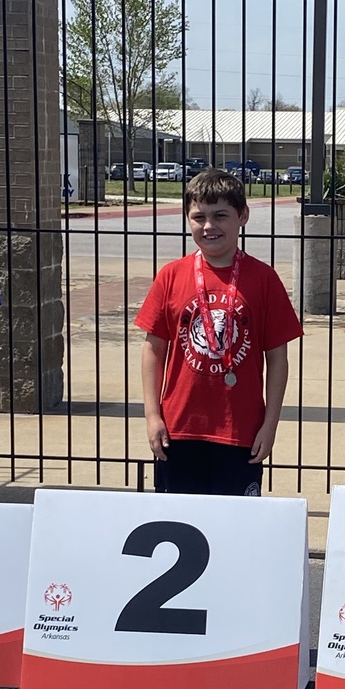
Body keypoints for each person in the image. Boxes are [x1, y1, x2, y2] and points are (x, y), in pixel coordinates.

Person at [136, 168, 303, 496]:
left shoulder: (264, 279)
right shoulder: (171, 276)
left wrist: (269, 425)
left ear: (243, 216)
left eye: (220, 216)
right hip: (179, 429)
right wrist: (152, 415)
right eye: (199, 217)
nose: (209, 226)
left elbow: (278, 359)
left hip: (240, 431)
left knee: (237, 529)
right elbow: (153, 349)